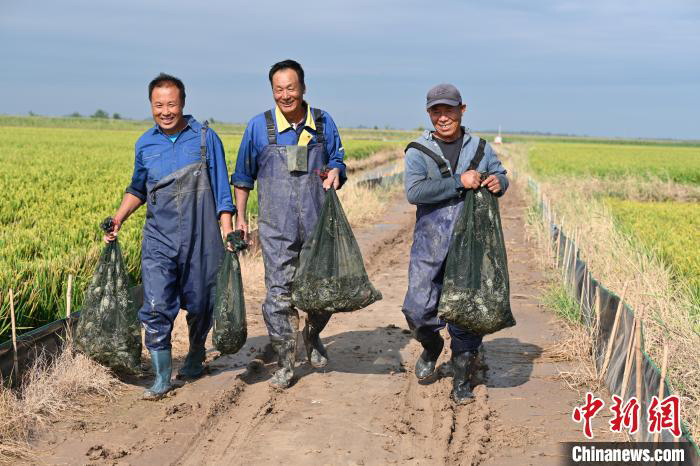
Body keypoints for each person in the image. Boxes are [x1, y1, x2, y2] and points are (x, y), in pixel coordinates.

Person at [104, 73, 236, 400]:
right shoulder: (145, 144)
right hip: (159, 240)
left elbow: (222, 192)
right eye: (159, 105)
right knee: (156, 304)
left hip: (202, 239)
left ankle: (195, 352)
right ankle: (162, 376)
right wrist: (119, 218)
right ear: (151, 105)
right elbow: (138, 188)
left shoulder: (206, 139)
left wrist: (228, 231)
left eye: (171, 104)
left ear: (183, 103)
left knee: (203, 302)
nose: (165, 111)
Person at [231, 59, 346, 389]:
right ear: (272, 91)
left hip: (318, 226)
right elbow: (242, 177)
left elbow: (338, 159)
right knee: (278, 298)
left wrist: (337, 170)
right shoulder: (258, 127)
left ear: (304, 88)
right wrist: (241, 217)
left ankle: (312, 334)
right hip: (276, 229)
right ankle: (285, 361)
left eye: (291, 88)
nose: (285, 95)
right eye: (278, 89)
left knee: (322, 296)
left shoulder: (323, 123)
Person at [402, 83, 509, 403]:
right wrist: (457, 183)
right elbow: (415, 192)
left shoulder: (480, 148)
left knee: (465, 311)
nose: (443, 116)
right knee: (417, 308)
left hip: (471, 245)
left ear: (462, 110)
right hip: (430, 241)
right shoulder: (418, 151)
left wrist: (497, 182)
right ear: (429, 114)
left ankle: (462, 378)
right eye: (437, 110)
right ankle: (432, 346)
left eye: (449, 109)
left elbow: (502, 175)